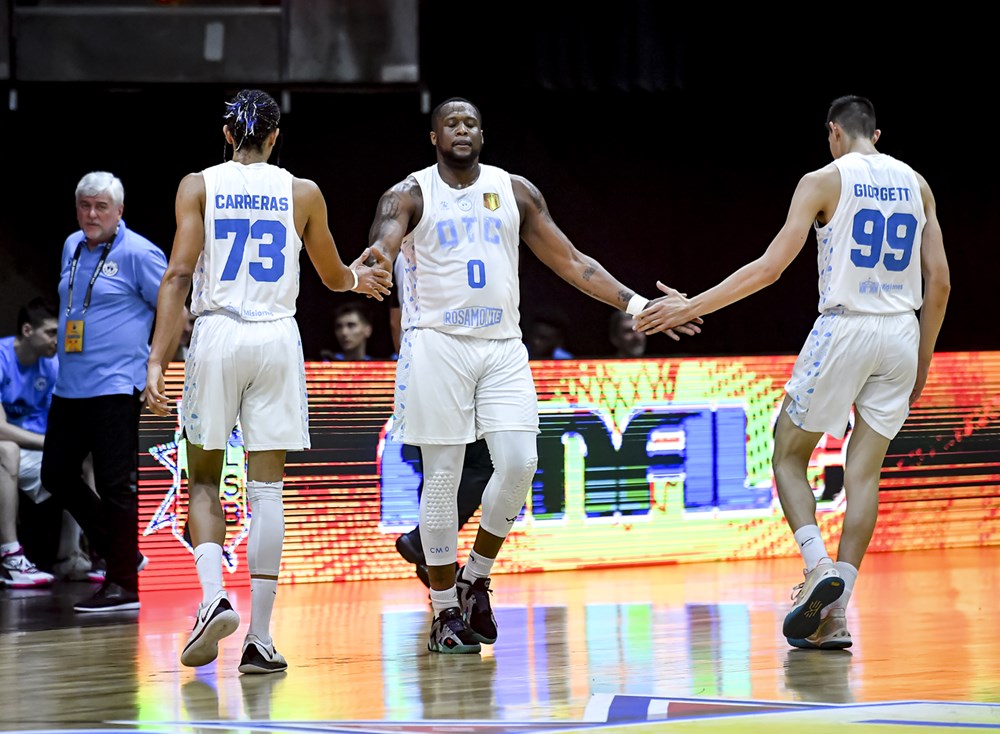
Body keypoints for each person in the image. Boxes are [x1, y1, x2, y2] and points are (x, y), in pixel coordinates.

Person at [365, 97, 701, 654]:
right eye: (451, 123)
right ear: (433, 137)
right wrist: (375, 259)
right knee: (443, 481)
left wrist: (635, 303)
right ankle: (444, 612)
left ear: (483, 132)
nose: (463, 129)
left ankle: (476, 576)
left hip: (501, 346)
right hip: (436, 346)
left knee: (521, 464)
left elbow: (573, 262)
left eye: (472, 121)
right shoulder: (411, 192)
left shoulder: (515, 190)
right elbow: (386, 235)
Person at [635, 95, 950, 649]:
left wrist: (691, 307)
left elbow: (770, 268)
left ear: (834, 133)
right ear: (877, 135)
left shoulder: (822, 180)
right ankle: (837, 615)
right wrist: (922, 362)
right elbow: (940, 283)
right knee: (864, 476)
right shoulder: (917, 184)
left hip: (846, 325)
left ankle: (817, 568)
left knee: (786, 454)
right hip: (902, 332)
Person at [144, 88, 392, 675]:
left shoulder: (197, 184)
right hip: (279, 339)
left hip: (218, 334)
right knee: (268, 489)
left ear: (226, 135)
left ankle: (211, 599)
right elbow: (333, 277)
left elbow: (179, 274)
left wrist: (157, 358)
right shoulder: (302, 191)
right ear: (276, 138)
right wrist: (363, 281)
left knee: (204, 478)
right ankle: (260, 638)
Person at [41, 171, 168, 612]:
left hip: (116, 385)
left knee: (116, 485)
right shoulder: (71, 246)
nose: (91, 214)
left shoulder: (138, 252)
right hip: (69, 384)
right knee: (55, 476)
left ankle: (124, 585)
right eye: (84, 205)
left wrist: (157, 363)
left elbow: (172, 305)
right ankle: (124, 553)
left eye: (101, 207)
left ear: (119, 211)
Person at [388, 253, 492, 588]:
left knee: (436, 472)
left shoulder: (401, 255)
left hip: (416, 363)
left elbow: (396, 319)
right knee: (484, 465)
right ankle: (423, 543)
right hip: (453, 362)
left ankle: (434, 564)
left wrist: (408, 367)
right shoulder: (452, 245)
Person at [0, 298, 59, 587]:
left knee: (81, 459)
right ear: (27, 330)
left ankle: (75, 557)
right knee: (7, 450)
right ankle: (11, 556)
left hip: (33, 449)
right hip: (8, 450)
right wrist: (51, 443)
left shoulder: (52, 365)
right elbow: (0, 429)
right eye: (51, 333)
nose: (57, 341)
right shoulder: (1, 357)